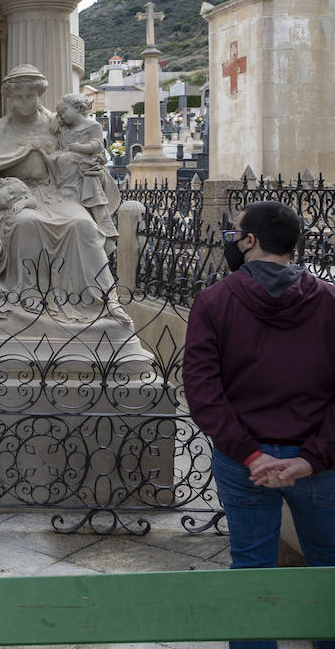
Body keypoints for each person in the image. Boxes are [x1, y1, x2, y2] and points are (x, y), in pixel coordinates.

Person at [183, 201, 335, 649]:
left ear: (250, 241)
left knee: (251, 567)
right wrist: (310, 459)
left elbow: (203, 392)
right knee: (327, 568)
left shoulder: (213, 301)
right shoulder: (329, 301)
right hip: (319, 463)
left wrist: (250, 454)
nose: (232, 240)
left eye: (235, 233)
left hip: (243, 460)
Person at [0, 65, 118, 319]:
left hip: (56, 193)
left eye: (31, 96)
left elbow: (85, 154)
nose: (25, 102)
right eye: (19, 96)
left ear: (39, 96)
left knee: (83, 225)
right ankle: (29, 299)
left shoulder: (56, 125)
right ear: (10, 98)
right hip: (17, 197)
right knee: (26, 223)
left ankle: (99, 302)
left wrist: (95, 169)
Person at [53, 93, 117, 251]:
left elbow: (97, 146)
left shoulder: (92, 125)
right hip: (71, 168)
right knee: (63, 159)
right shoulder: (64, 130)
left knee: (92, 190)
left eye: (64, 111)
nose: (61, 115)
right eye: (59, 113)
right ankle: (67, 195)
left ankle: (104, 229)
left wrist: (80, 148)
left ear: (78, 107)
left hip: (87, 165)